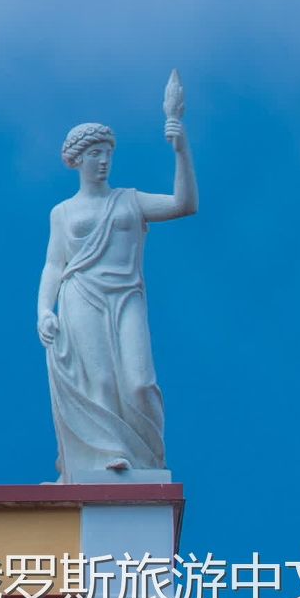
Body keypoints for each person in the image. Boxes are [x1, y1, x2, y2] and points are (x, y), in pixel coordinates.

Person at [39, 108, 198, 481]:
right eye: (95, 153)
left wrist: (181, 148)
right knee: (101, 383)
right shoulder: (62, 212)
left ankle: (148, 457)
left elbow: (184, 204)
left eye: (108, 153)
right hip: (81, 294)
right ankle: (110, 454)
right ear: (77, 159)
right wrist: (44, 309)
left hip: (126, 297)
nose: (104, 161)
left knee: (140, 383)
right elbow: (54, 265)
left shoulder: (131, 200)